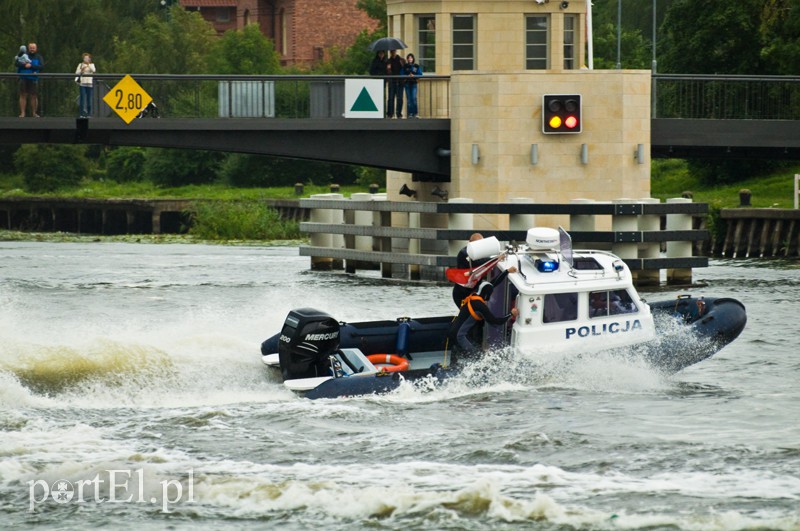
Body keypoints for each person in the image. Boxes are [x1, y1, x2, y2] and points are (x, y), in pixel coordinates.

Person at [447, 276, 519, 362]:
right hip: (460, 337)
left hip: (453, 331)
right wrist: (511, 314)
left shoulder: (472, 297)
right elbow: (496, 322)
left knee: (466, 354)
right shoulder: (479, 306)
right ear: (487, 294)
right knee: (478, 358)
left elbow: (491, 284)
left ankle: (455, 364)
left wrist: (507, 272)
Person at [452, 233, 486, 307]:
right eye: (477, 244)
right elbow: (476, 263)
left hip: (472, 292)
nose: (479, 246)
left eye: (481, 244)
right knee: (467, 314)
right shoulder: (464, 253)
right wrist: (494, 259)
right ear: (470, 242)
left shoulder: (480, 253)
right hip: (461, 293)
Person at [17, 42, 43, 118]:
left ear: (36, 48)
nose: (32, 49)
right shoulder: (23, 55)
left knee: (34, 96)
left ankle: (34, 113)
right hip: (23, 77)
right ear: (28, 48)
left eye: (33, 48)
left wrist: (31, 66)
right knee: (23, 95)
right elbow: (16, 63)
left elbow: (41, 66)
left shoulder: (39, 56)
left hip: (33, 78)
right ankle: (22, 113)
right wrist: (25, 65)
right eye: (31, 48)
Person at [401, 53, 423, 118]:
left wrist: (414, 75)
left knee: (414, 98)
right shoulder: (405, 66)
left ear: (413, 59)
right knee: (409, 99)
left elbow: (420, 74)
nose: (410, 59)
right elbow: (401, 74)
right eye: (409, 58)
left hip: (414, 83)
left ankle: (415, 113)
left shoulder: (416, 66)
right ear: (407, 59)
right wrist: (407, 76)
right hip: (407, 83)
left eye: (411, 58)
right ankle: (410, 113)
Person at [75, 52, 96, 118]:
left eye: (87, 58)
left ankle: (89, 114)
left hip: (89, 84)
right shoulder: (80, 65)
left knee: (89, 99)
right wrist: (81, 70)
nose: (86, 59)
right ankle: (81, 114)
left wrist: (88, 65)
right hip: (82, 83)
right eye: (85, 58)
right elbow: (77, 72)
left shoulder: (92, 65)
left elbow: (94, 70)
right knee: (82, 99)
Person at [385, 49, 404, 118]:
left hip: (400, 82)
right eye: (391, 52)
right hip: (392, 82)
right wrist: (388, 69)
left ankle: (399, 113)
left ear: (396, 52)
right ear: (390, 53)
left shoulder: (401, 60)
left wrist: (402, 65)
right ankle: (390, 114)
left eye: (394, 51)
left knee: (400, 98)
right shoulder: (388, 61)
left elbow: (404, 69)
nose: (393, 53)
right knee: (390, 98)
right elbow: (387, 73)